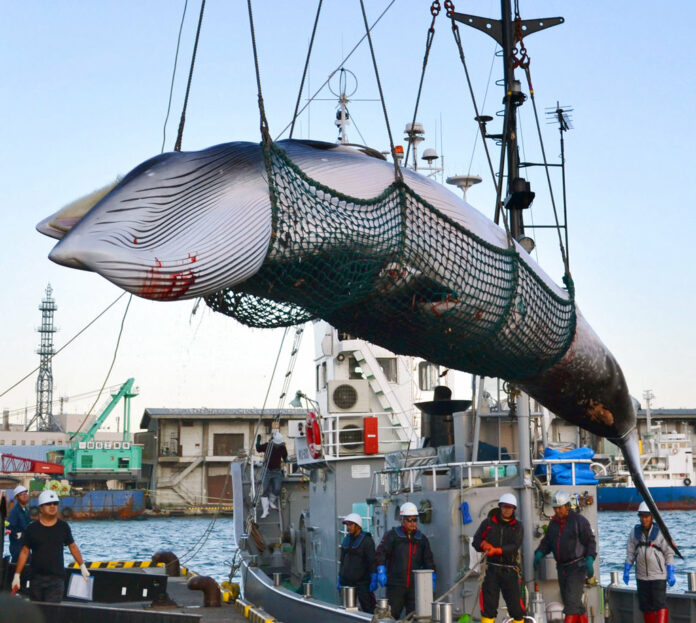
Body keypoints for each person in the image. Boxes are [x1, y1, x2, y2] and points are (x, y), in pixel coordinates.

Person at [12, 490, 91, 603]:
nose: (52, 506)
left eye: (55, 503)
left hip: (56, 579)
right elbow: (25, 552)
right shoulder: (32, 529)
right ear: (41, 507)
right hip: (36, 579)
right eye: (48, 504)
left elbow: (72, 546)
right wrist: (17, 574)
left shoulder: (63, 527)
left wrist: (82, 566)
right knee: (37, 613)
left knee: (52, 612)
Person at [534, 490, 597, 623]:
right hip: (562, 568)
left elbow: (590, 542)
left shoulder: (579, 521)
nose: (557, 511)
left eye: (560, 508)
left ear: (567, 506)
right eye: (555, 508)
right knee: (574, 603)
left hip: (577, 567)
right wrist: (539, 553)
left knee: (571, 606)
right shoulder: (553, 524)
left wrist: (590, 559)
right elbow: (547, 542)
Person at [375, 502, 436, 619]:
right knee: (392, 615)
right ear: (402, 520)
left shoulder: (421, 539)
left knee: (414, 616)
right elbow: (381, 552)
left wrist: (432, 576)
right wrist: (381, 569)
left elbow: (428, 559)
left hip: (414, 587)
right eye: (409, 520)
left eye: (415, 520)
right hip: (396, 585)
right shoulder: (392, 536)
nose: (413, 523)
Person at [473, 492, 525, 623]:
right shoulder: (488, 523)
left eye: (510, 507)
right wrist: (482, 544)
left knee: (516, 608)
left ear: (514, 509)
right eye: (505, 506)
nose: (507, 509)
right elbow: (476, 541)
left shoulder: (517, 526)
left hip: (510, 570)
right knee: (488, 607)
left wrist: (496, 550)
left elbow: (514, 545)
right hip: (491, 570)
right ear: (500, 507)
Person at [623, 501, 675, 623]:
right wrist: (626, 569)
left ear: (652, 516)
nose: (644, 519)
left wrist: (671, 572)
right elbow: (630, 553)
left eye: (646, 516)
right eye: (642, 516)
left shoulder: (661, 531)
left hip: (658, 576)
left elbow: (669, 553)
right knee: (646, 606)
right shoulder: (634, 533)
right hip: (641, 577)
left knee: (660, 604)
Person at [337, 512, 377, 614]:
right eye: (347, 525)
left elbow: (372, 561)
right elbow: (342, 560)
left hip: (362, 583)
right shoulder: (346, 539)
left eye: (351, 524)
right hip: (347, 583)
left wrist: (374, 576)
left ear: (358, 526)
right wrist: (340, 577)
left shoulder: (367, 541)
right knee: (347, 609)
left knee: (368, 609)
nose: (348, 527)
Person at [256, 430, 288, 518]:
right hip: (267, 470)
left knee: (277, 488)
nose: (278, 446)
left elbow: (285, 456)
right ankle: (265, 511)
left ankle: (271, 502)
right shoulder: (268, 446)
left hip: (277, 471)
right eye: (276, 444)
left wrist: (286, 460)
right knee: (264, 489)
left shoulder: (282, 447)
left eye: (279, 445)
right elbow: (258, 449)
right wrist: (258, 441)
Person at [8, 485, 31, 562]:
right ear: (17, 498)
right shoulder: (15, 511)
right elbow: (8, 526)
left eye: (25, 493)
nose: (24, 496)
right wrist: (17, 535)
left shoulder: (25, 510)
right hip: (17, 547)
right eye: (21, 494)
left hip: (25, 545)